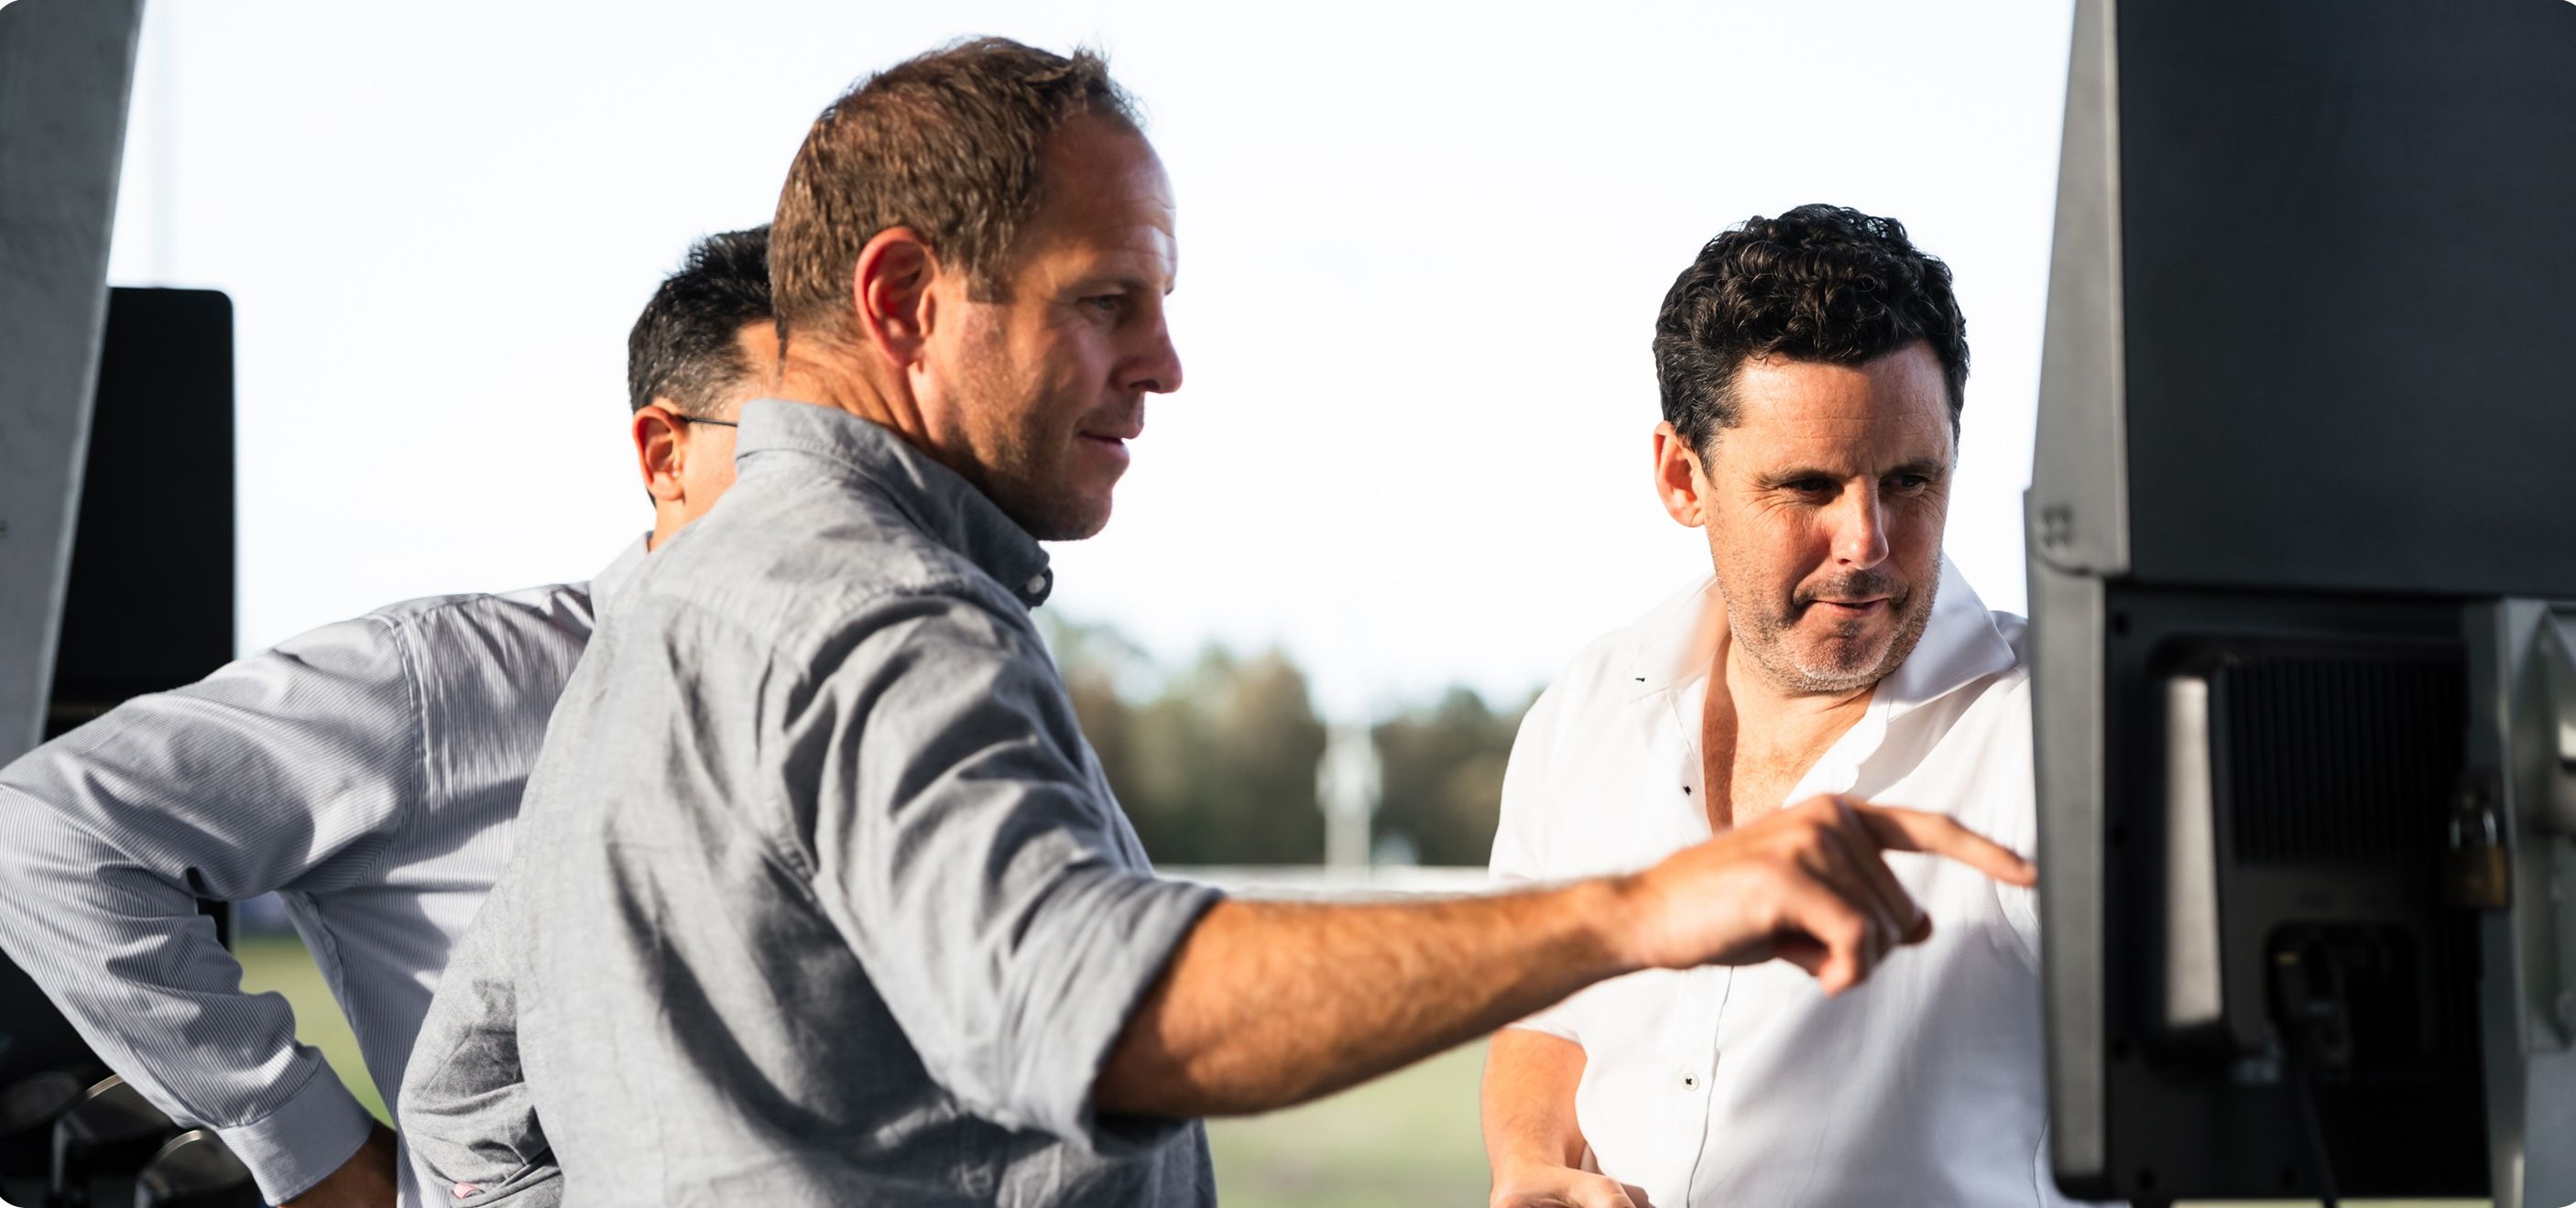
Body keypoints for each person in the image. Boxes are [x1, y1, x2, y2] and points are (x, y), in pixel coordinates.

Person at [398, 42, 2036, 1208]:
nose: (1165, 362)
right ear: (903, 304)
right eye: (1106, 300)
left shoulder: (665, 596)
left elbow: (465, 1094)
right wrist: (1635, 911)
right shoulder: (874, 613)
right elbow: (1112, 1012)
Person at [0, 226, 775, 1208]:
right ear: (665, 455)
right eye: (787, 452)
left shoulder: (887, 724)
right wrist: (310, 1145)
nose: (840, 499)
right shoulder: (454, 683)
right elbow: (43, 833)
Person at [1481, 205, 2070, 1207]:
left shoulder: (2058, 736)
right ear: (1682, 477)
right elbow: (1547, 1009)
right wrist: (1528, 1163)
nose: (1867, 541)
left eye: (1911, 479)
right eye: (1807, 486)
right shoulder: (1585, 708)